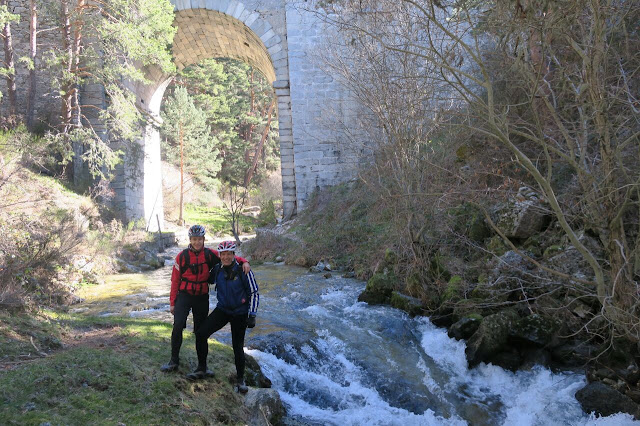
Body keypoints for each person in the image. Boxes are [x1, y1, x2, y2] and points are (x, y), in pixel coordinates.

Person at [160, 225, 250, 378]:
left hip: (201, 297)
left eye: (200, 239)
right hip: (184, 295)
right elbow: (175, 280)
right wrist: (172, 302)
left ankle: (202, 366)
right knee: (178, 326)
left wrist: (245, 261)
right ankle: (173, 361)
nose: (197, 242)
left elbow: (227, 256)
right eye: (194, 239)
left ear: (203, 239)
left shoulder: (210, 254)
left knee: (200, 332)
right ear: (190, 240)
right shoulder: (181, 257)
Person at [194, 240, 259, 393]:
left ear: (233, 254)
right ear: (220, 255)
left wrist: (252, 314)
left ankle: (241, 379)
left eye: (229, 254)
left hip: (240, 312)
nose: (226, 257)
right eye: (223, 254)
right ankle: (202, 367)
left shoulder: (244, 270)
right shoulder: (217, 269)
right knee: (201, 333)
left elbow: (254, 292)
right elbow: (206, 278)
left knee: (237, 346)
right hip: (222, 309)